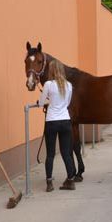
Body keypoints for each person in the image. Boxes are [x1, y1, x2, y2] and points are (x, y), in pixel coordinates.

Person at [37, 60, 76, 191]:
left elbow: (41, 103)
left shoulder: (48, 84)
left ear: (51, 71)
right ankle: (70, 181)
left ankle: (49, 183)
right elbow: (67, 102)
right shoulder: (69, 85)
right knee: (66, 153)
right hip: (65, 120)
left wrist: (45, 101)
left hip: (52, 121)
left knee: (50, 154)